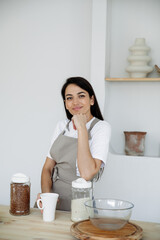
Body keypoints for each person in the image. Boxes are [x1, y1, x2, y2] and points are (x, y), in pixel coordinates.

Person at [37, 77, 111, 211]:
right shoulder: (62, 126)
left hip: (79, 205)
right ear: (65, 103)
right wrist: (47, 196)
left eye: (81, 96)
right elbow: (47, 168)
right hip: (53, 201)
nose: (75, 102)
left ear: (92, 100)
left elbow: (87, 174)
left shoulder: (101, 128)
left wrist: (81, 127)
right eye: (69, 98)